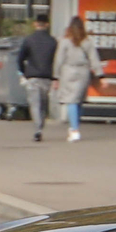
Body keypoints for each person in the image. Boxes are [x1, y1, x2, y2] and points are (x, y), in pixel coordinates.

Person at [17, 13, 59, 142]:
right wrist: (55, 78)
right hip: (47, 77)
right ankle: (40, 125)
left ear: (35, 24)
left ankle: (37, 129)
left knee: (35, 104)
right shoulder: (53, 41)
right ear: (47, 24)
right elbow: (56, 60)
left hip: (32, 76)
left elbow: (20, 58)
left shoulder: (28, 40)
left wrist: (23, 72)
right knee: (43, 104)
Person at [55, 17, 94, 142]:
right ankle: (75, 126)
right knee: (78, 100)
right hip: (83, 71)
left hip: (68, 71)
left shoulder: (64, 41)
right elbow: (94, 59)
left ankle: (74, 129)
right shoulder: (87, 42)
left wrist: (55, 76)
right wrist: (101, 75)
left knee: (71, 100)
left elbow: (59, 59)